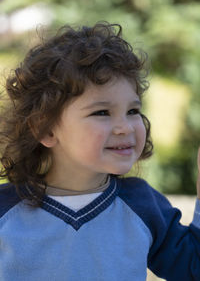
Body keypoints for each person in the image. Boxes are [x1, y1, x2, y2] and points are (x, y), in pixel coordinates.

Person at [0, 22, 200, 281]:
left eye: (133, 111)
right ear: (45, 130)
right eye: (102, 112)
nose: (125, 127)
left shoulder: (142, 205)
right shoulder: (5, 211)